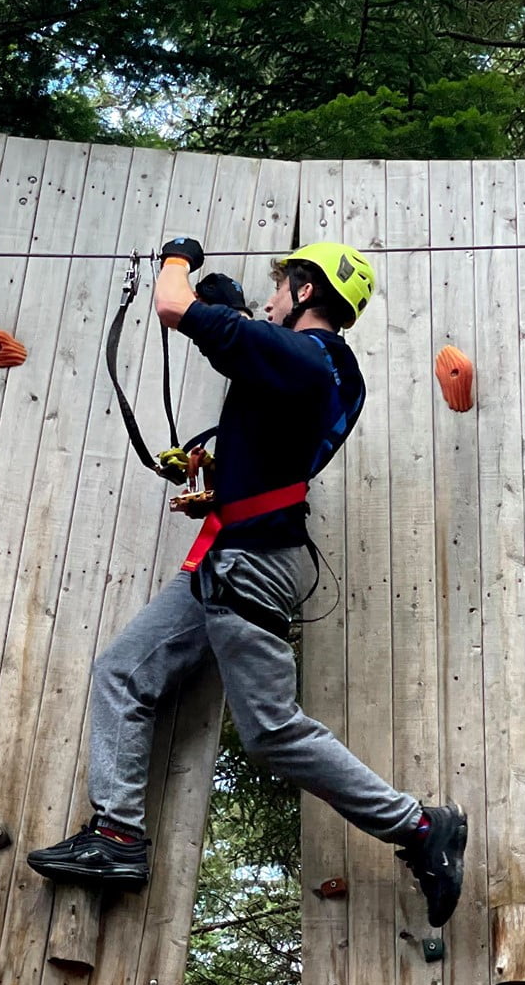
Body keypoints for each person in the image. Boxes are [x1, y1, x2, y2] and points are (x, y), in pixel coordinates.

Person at [26, 237, 468, 927]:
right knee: (121, 671)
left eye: (280, 287)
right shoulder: (323, 373)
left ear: (307, 292)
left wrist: (176, 258)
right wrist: (220, 490)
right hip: (234, 551)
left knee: (271, 731)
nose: (269, 300)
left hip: (251, 563)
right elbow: (275, 446)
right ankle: (115, 837)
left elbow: (173, 304)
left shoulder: (301, 359)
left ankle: (419, 829)